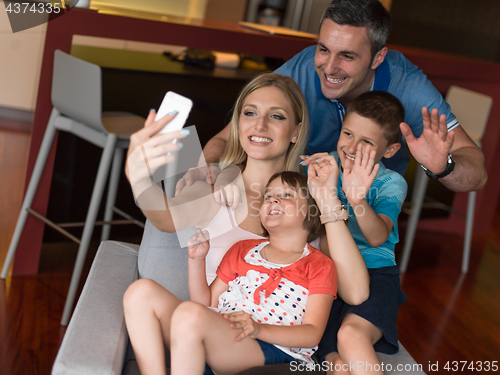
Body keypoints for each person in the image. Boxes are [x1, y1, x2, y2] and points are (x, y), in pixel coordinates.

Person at [181, 0, 486, 195]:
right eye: (324, 49)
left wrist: (442, 166)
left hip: (364, 210)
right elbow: (227, 138)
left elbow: (477, 173)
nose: (328, 67)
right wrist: (208, 166)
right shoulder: (301, 68)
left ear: (378, 57)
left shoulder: (408, 86)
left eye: (347, 56)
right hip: (296, 199)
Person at [124, 166, 365, 374]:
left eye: (286, 195)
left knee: (190, 316)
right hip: (220, 338)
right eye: (268, 196)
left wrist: (259, 329)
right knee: (140, 292)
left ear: (311, 210)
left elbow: (312, 334)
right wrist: (196, 261)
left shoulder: (319, 264)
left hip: (272, 350)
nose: (272, 200)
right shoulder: (242, 250)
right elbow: (205, 302)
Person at [301, 91, 408, 375]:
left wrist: (357, 199)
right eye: (348, 133)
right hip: (328, 274)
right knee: (325, 349)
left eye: (367, 142)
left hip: (375, 275)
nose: (352, 147)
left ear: (389, 150)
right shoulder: (327, 166)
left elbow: (377, 237)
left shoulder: (390, 182)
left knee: (350, 335)